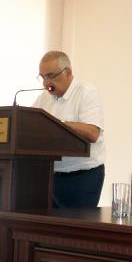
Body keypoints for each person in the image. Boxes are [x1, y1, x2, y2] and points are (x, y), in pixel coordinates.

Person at [33, 51, 105, 208]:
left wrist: (58, 124)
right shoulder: (43, 98)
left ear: (68, 73)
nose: (46, 83)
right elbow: (29, 126)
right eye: (42, 77)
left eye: (51, 76)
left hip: (83, 177)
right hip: (50, 176)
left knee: (76, 223)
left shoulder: (86, 92)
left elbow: (92, 132)